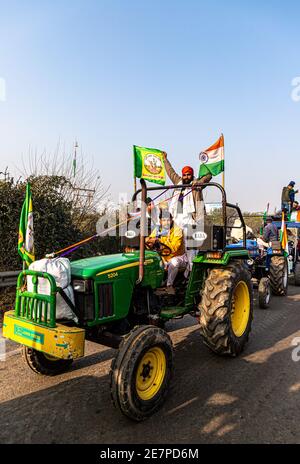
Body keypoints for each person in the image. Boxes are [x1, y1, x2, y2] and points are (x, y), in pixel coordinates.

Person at [162, 151, 212, 270]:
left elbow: (208, 176)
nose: (186, 177)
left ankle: (190, 274)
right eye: (184, 175)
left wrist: (199, 182)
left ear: (192, 175)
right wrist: (165, 159)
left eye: (189, 175)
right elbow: (170, 172)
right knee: (174, 245)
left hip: (191, 220)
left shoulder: (196, 185)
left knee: (191, 250)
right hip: (177, 219)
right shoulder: (178, 182)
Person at [145, 208, 188, 295]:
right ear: (160, 221)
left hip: (178, 256)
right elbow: (149, 239)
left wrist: (159, 241)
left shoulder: (177, 230)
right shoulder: (158, 229)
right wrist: (149, 240)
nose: (166, 222)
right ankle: (152, 286)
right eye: (164, 220)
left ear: (172, 220)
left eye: (168, 220)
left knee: (174, 262)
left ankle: (169, 285)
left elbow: (174, 248)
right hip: (163, 257)